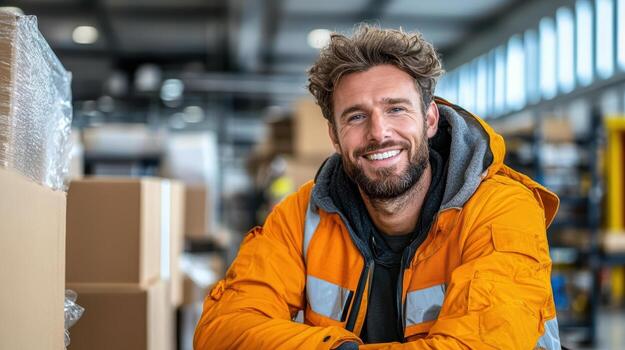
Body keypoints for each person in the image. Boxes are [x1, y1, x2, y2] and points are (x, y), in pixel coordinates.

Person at [194, 25, 561, 349]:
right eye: (356, 116)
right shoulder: (300, 215)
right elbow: (221, 332)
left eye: (396, 109)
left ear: (430, 119)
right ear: (334, 136)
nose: (379, 132)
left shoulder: (501, 210)